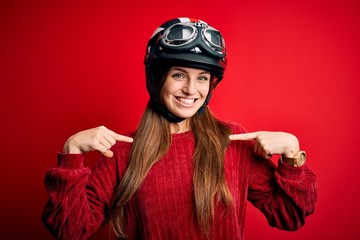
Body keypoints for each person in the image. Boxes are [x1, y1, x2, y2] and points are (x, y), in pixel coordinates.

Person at [42, 17, 318, 240]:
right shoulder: (122, 150)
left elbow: (289, 217)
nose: (190, 89)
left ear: (211, 85)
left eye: (202, 78)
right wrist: (72, 152)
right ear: (157, 79)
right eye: (178, 75)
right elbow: (70, 230)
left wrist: (292, 156)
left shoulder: (231, 141)